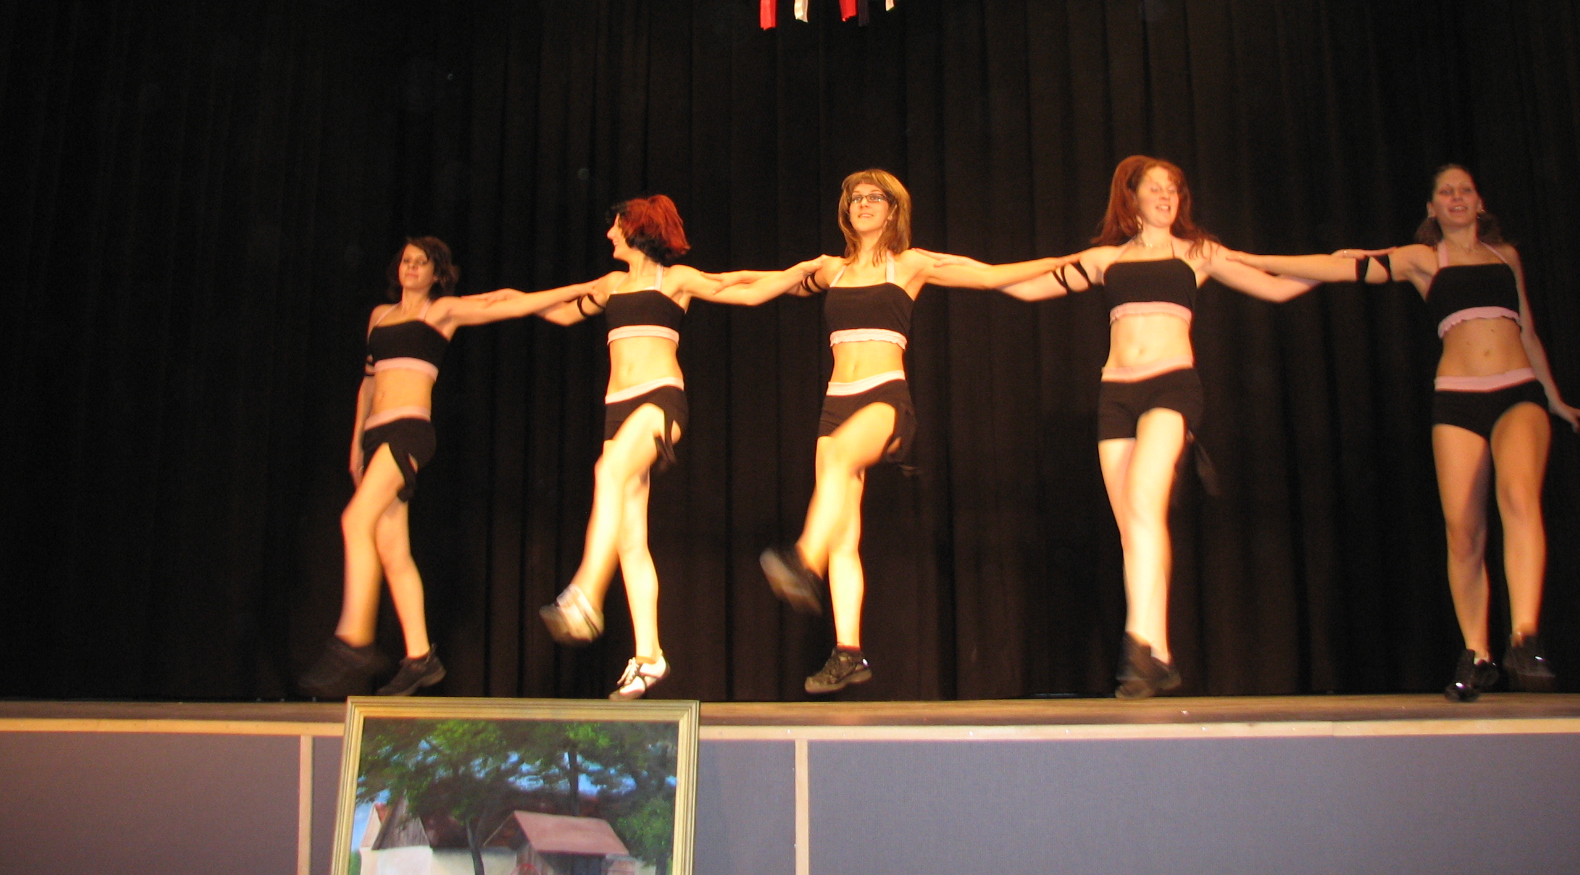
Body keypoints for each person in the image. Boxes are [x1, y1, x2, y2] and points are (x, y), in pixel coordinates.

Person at [932, 157, 1316, 698]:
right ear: (1130, 198)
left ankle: (1137, 643)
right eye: (1154, 188)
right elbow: (1025, 288)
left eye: (1173, 189)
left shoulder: (1198, 253)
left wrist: (1335, 267)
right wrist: (953, 267)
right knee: (1136, 524)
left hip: (1172, 387)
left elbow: (1275, 288)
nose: (1166, 196)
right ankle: (1159, 656)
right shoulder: (1104, 260)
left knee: (1141, 501)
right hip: (1115, 395)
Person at [1232, 164, 1577, 700]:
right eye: (1446, 191)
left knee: (1517, 497)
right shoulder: (1422, 258)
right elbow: (1339, 268)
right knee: (1463, 530)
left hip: (1518, 392)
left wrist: (1553, 398)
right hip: (1457, 396)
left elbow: (1527, 329)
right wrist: (1253, 260)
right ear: (1431, 208)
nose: (1457, 197)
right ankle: (1477, 653)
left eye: (1465, 190)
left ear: (1479, 202)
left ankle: (1524, 637)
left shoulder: (1505, 256)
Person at [757, 169, 1057, 695]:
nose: (863, 204)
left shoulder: (910, 264)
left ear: (893, 210)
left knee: (839, 463)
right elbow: (750, 287)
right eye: (855, 198)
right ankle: (848, 652)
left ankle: (803, 561)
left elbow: (991, 276)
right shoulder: (830, 269)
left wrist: (1076, 262)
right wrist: (689, 284)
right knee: (843, 532)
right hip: (835, 403)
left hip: (884, 397)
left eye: (875, 197)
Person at [523, 195, 824, 699]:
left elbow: (743, 291)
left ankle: (586, 592)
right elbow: (559, 314)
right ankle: (649, 656)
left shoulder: (675, 280)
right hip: (615, 411)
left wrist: (799, 271)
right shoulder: (612, 285)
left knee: (607, 472)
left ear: (637, 228)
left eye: (616, 226)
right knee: (629, 538)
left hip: (659, 400)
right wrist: (524, 299)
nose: (609, 234)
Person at [299, 238, 594, 699]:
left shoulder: (441, 312)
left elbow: (507, 305)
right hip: (375, 435)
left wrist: (582, 288)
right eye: (406, 261)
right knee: (391, 549)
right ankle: (420, 656)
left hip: (408, 430)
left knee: (354, 520)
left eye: (421, 263)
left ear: (437, 273)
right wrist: (356, 442)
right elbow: (368, 382)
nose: (411, 268)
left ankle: (353, 638)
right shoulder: (379, 316)